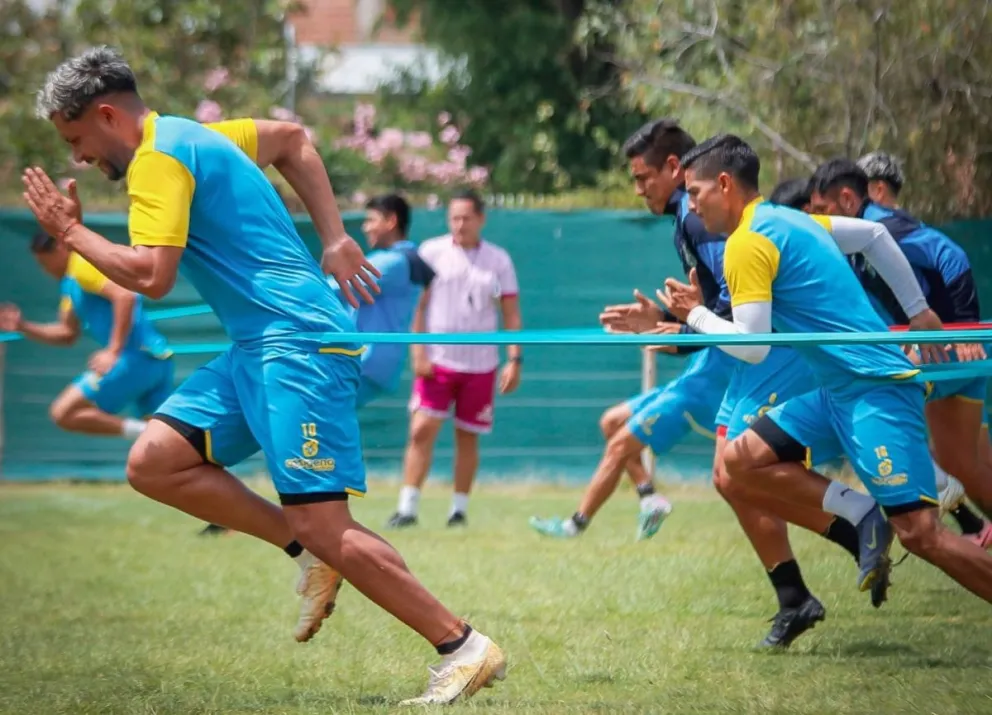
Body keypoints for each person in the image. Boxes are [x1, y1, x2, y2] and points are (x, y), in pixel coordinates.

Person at [26, 47, 505, 704]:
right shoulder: (195, 136)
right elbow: (292, 139)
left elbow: (151, 276)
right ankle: (305, 552)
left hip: (298, 344)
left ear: (107, 114)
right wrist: (332, 236)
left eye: (76, 138)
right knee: (155, 460)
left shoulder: (157, 163)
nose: (78, 156)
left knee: (325, 522)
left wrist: (71, 232)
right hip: (259, 345)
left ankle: (462, 644)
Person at [664, 133, 992, 607]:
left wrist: (694, 314)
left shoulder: (746, 242)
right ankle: (862, 517)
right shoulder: (790, 219)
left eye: (694, 193)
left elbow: (753, 347)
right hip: (836, 394)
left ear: (723, 184)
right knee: (739, 462)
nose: (691, 208)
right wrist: (918, 310)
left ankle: (880, 518)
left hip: (874, 391)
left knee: (921, 535)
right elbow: (875, 236)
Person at [530, 118, 733, 542]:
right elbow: (710, 312)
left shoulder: (694, 219)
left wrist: (666, 331)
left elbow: (732, 307)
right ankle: (649, 498)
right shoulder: (686, 219)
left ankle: (575, 524)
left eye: (643, 178)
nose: (639, 189)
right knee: (612, 423)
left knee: (627, 443)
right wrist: (659, 324)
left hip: (720, 374)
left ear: (674, 167)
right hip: (708, 364)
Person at [807, 159, 992, 548]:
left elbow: (951, 255)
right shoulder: (852, 242)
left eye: (822, 211)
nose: (818, 221)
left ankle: (923, 504)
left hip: (953, 351)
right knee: (964, 464)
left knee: (869, 393)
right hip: (940, 357)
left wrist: (965, 326)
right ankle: (962, 513)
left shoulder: (884, 228)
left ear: (846, 199)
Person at [388, 189, 522, 528]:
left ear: (481, 219)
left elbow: (511, 312)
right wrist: (418, 352)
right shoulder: (430, 252)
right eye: (454, 218)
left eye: (466, 217)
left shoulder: (499, 259)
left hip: (481, 365)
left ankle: (458, 511)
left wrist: (514, 359)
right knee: (421, 430)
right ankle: (407, 508)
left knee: (467, 436)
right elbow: (417, 307)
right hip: (438, 362)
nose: (459, 224)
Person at [0, 230, 173, 442]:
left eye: (45, 263)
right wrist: (23, 326)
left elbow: (125, 296)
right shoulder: (70, 283)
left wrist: (113, 351)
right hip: (157, 358)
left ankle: (141, 433)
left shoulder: (81, 265)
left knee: (64, 412)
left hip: (134, 359)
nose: (45, 270)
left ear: (61, 248)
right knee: (158, 447)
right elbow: (67, 333)